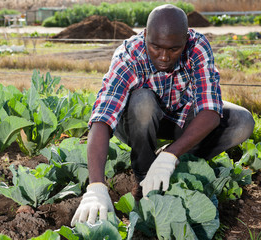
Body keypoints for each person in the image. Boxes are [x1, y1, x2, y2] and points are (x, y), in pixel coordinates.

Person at [70, 4, 255, 226]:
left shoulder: (198, 47)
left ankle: (171, 163)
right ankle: (143, 179)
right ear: (145, 35)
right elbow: (102, 117)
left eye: (174, 49)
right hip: (139, 123)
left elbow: (210, 110)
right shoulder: (129, 55)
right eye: (156, 47)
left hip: (183, 120)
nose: (164, 56)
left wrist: (171, 154)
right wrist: (96, 187)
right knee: (142, 101)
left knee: (242, 122)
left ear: (185, 40)